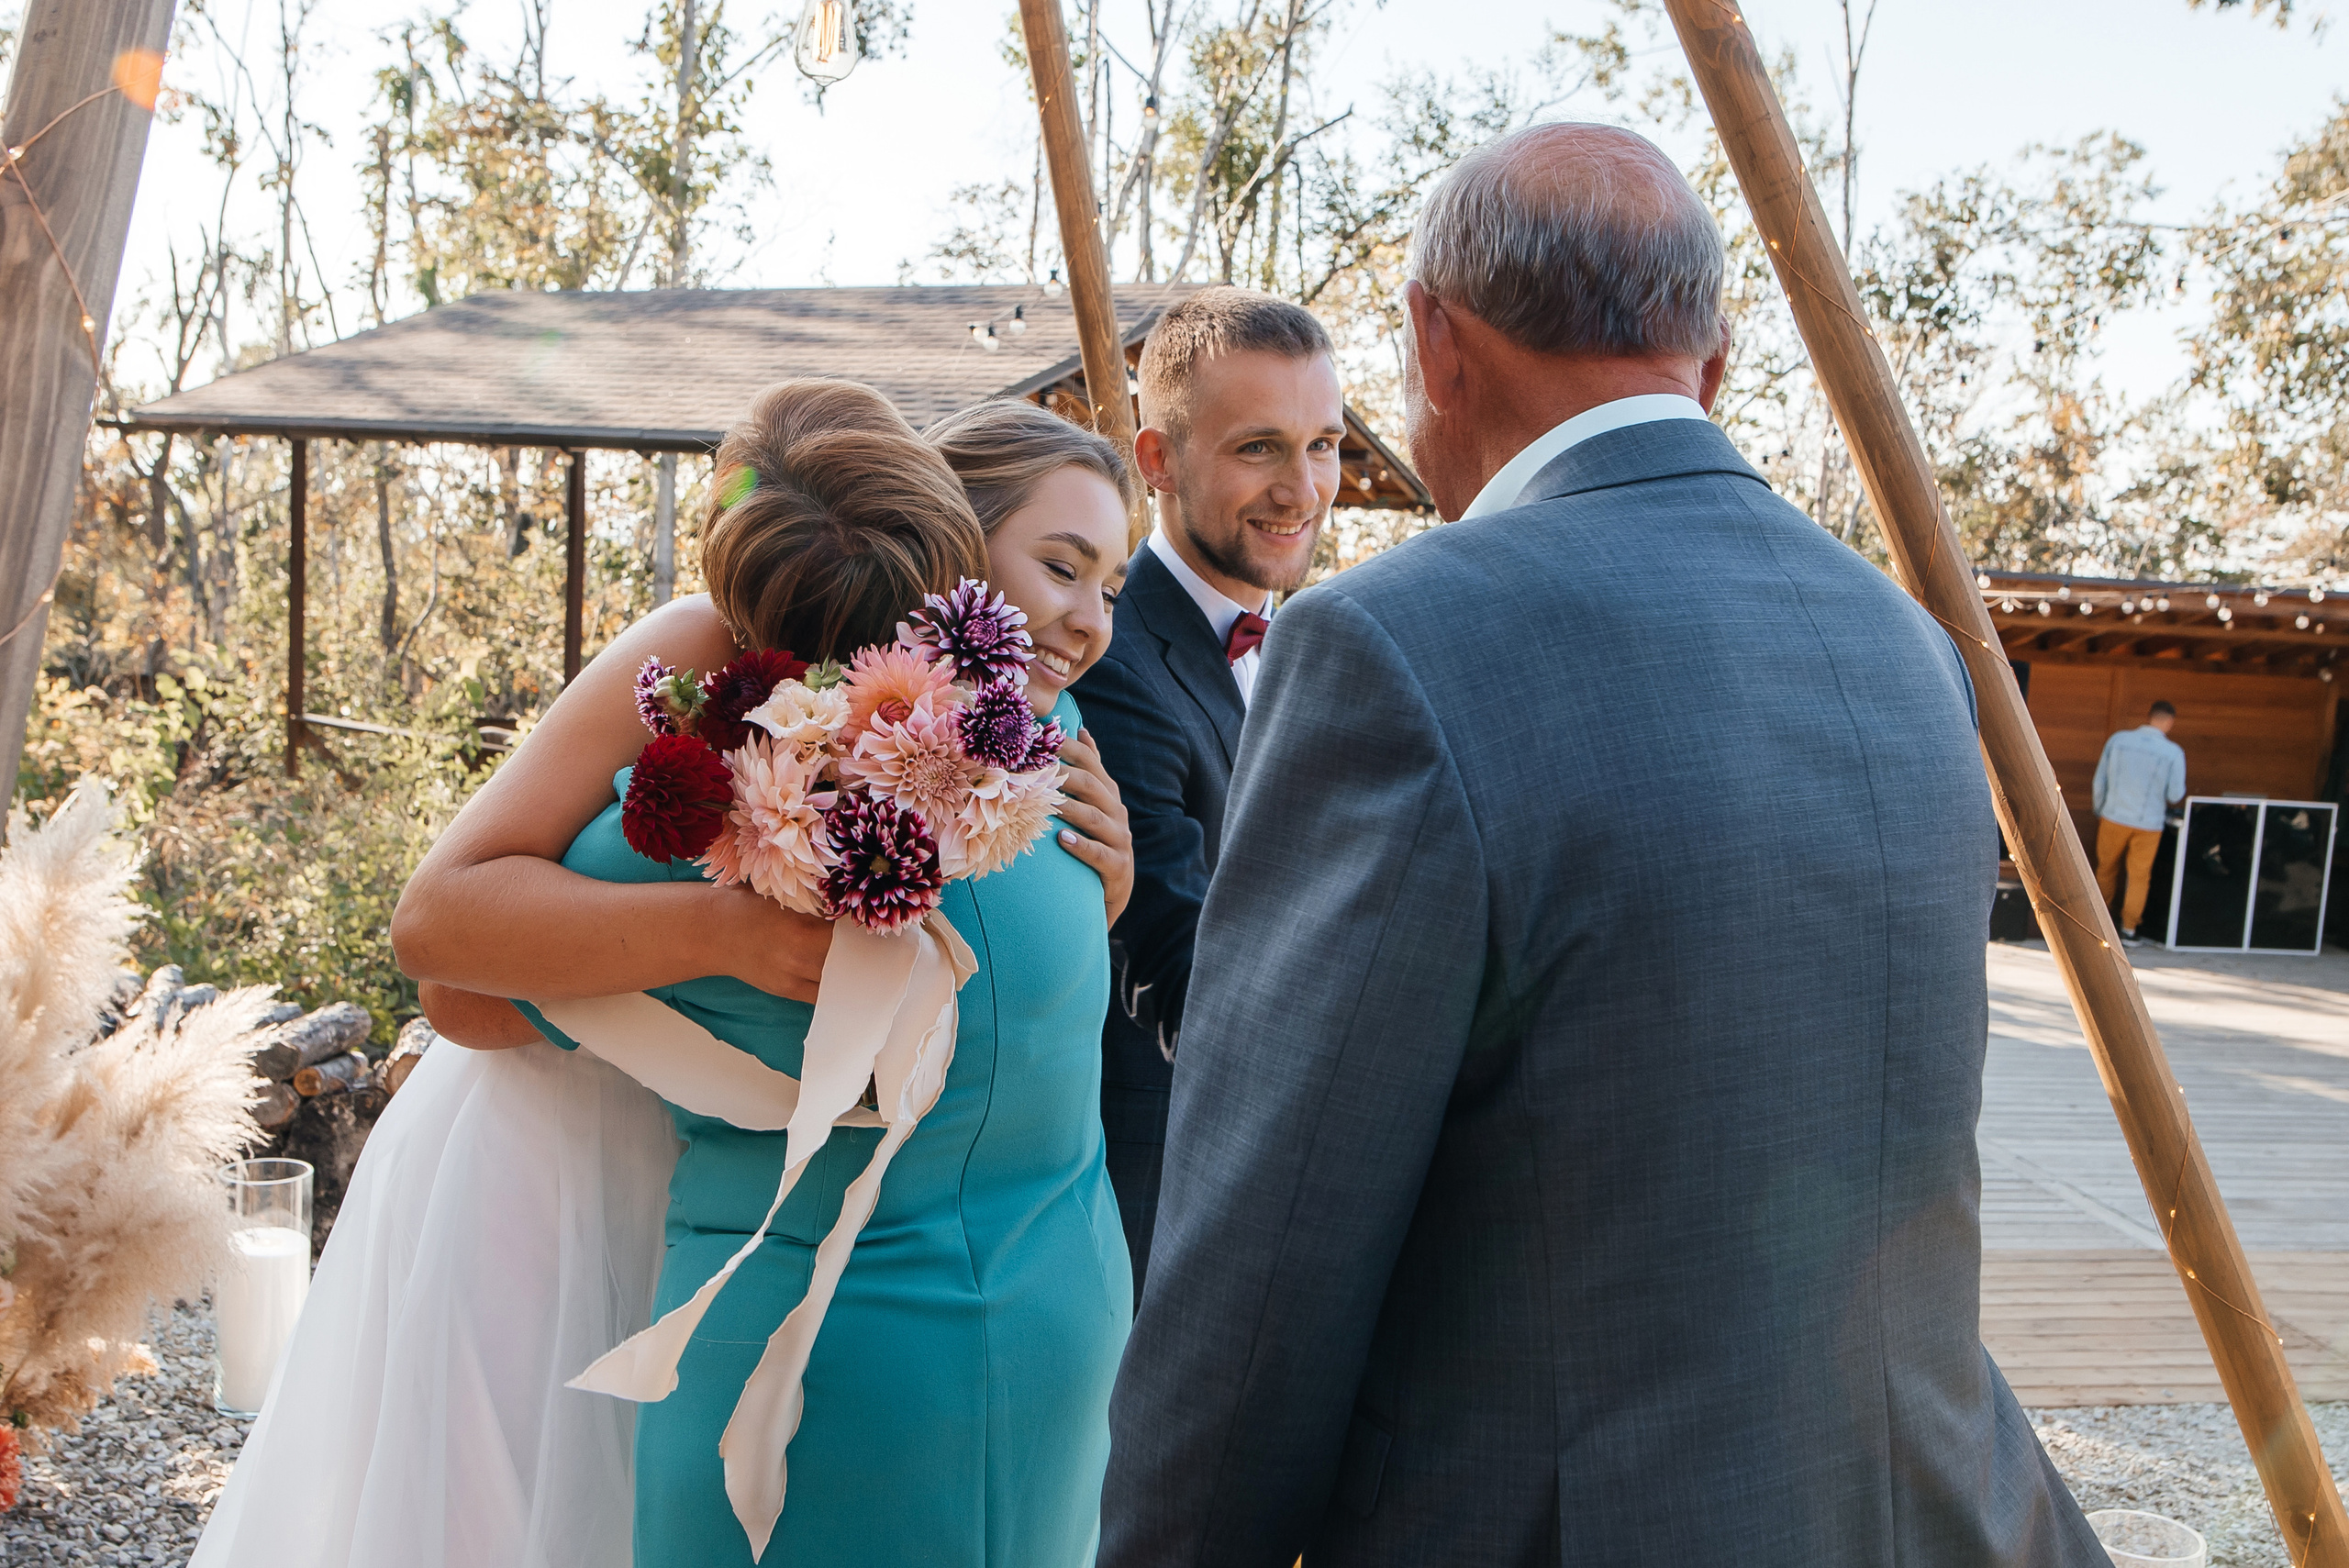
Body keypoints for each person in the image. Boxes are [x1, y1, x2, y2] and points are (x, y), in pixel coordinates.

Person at [1099, 124, 2109, 1567]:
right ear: (1714, 351)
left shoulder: (1393, 642)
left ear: (1436, 346)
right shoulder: (1907, 642)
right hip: (1918, 1504)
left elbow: (1270, 1246)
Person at [195, 384, 1138, 1568]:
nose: (1086, 618)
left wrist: (1097, 880)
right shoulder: (708, 658)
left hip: (757, 1267)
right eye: (1061, 566)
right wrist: (724, 935)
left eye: (1110, 581)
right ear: (954, 543)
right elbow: (450, 948)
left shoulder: (1018, 756)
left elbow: (470, 995)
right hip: (674, 1210)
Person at [1070, 284, 1343, 1295]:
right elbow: (1175, 961)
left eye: (1323, 444)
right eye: (1258, 447)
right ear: (1157, 460)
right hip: (1154, 1192)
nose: (1302, 487)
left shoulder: (1307, 646)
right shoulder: (1108, 657)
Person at [2093, 699, 2187, 945]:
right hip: (2149, 822)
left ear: (2149, 716)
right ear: (2169, 722)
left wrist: (2099, 807)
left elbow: (2100, 779)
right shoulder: (2173, 753)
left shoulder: (2119, 740)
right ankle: (2129, 929)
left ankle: (2099, 924)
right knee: (2139, 876)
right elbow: (2175, 794)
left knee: (2105, 869)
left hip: (2114, 815)